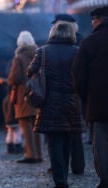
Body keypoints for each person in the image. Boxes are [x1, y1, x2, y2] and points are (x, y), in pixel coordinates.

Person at [28, 23, 86, 188]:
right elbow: (82, 75)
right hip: (71, 102)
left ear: (53, 33)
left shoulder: (43, 51)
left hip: (50, 102)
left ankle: (59, 178)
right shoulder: (77, 51)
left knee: (54, 142)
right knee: (67, 140)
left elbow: (30, 71)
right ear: (70, 34)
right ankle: (64, 177)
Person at [72, 6, 108, 188]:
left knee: (101, 147)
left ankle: (105, 185)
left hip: (99, 104)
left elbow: (78, 76)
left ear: (99, 20)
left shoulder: (90, 42)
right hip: (97, 102)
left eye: (93, 20)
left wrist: (86, 98)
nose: (92, 23)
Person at [48, 13, 85, 175]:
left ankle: (61, 169)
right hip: (74, 97)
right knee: (73, 133)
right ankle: (76, 166)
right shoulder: (78, 45)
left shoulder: (47, 49)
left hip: (55, 99)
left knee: (57, 136)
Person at [7, 31, 42, 163]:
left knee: (25, 125)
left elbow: (15, 77)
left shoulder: (19, 57)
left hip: (23, 94)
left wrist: (9, 80)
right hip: (37, 93)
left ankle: (30, 154)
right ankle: (38, 154)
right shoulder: (39, 54)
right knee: (36, 126)